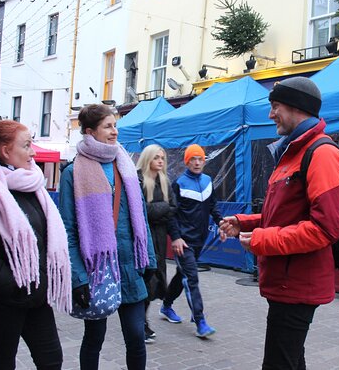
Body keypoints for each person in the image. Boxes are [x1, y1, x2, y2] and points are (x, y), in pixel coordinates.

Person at [219, 77, 339, 370]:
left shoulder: (322, 154)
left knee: (279, 364)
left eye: (275, 106)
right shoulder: (293, 151)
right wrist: (243, 222)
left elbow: (325, 229)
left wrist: (263, 240)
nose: (270, 114)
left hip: (298, 285)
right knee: (290, 360)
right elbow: (282, 214)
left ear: (296, 107)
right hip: (286, 282)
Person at [0, 121, 72, 369]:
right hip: (4, 300)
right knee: (1, 363)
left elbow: (45, 238)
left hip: (36, 296)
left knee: (52, 359)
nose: (33, 151)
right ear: (5, 151)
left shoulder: (32, 184)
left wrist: (42, 280)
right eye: (26, 145)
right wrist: (15, 285)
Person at [59, 104, 156, 370]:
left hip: (129, 266)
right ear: (89, 132)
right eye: (108, 126)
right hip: (96, 269)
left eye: (115, 126)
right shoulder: (73, 173)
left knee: (136, 336)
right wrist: (78, 278)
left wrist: (149, 260)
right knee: (94, 338)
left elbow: (141, 218)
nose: (115, 132)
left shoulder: (124, 165)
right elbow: (68, 229)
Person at [160, 144, 220, 338]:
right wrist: (176, 237)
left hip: (199, 241)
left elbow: (213, 206)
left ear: (204, 161)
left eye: (200, 159)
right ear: (187, 162)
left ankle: (166, 306)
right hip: (183, 242)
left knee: (182, 275)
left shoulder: (208, 181)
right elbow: (171, 214)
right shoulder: (178, 183)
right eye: (192, 159)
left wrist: (222, 223)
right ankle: (200, 321)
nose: (196, 162)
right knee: (192, 278)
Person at [136, 144, 177, 343]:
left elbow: (173, 210)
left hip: (160, 239)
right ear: (147, 159)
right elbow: (142, 211)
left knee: (156, 282)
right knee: (146, 280)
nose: (160, 161)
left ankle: (140, 320)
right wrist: (162, 209)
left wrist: (157, 211)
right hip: (143, 238)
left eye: (162, 157)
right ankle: (140, 323)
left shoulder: (164, 182)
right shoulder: (138, 179)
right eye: (156, 157)